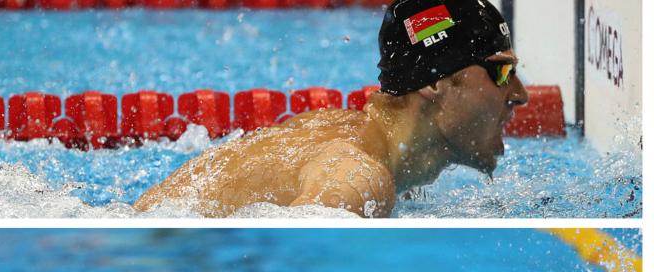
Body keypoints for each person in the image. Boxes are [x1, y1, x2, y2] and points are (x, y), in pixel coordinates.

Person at [134, 0, 529, 218]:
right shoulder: (358, 180)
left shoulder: (352, 137)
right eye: (502, 71)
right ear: (433, 83)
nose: (520, 94)